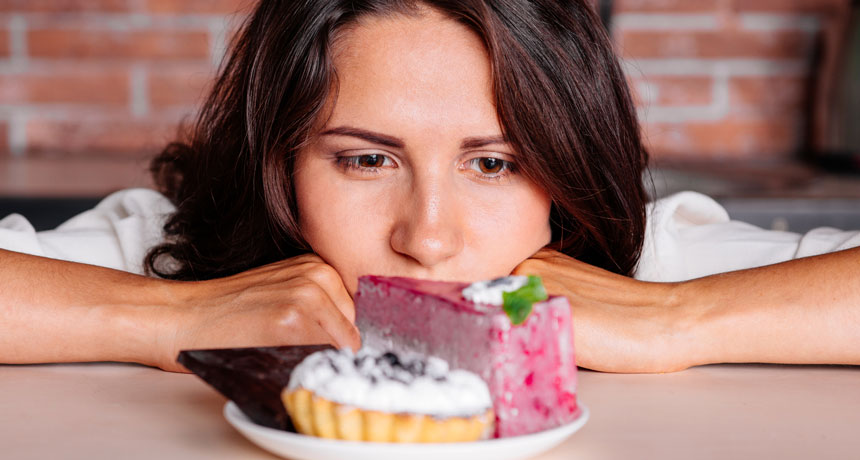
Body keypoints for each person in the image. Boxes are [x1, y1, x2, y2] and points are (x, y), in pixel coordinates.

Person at [1, 0, 858, 374]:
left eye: (494, 164)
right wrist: (172, 317)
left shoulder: (643, 263)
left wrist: (679, 319)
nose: (429, 238)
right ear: (280, 165)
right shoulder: (179, 255)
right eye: (365, 159)